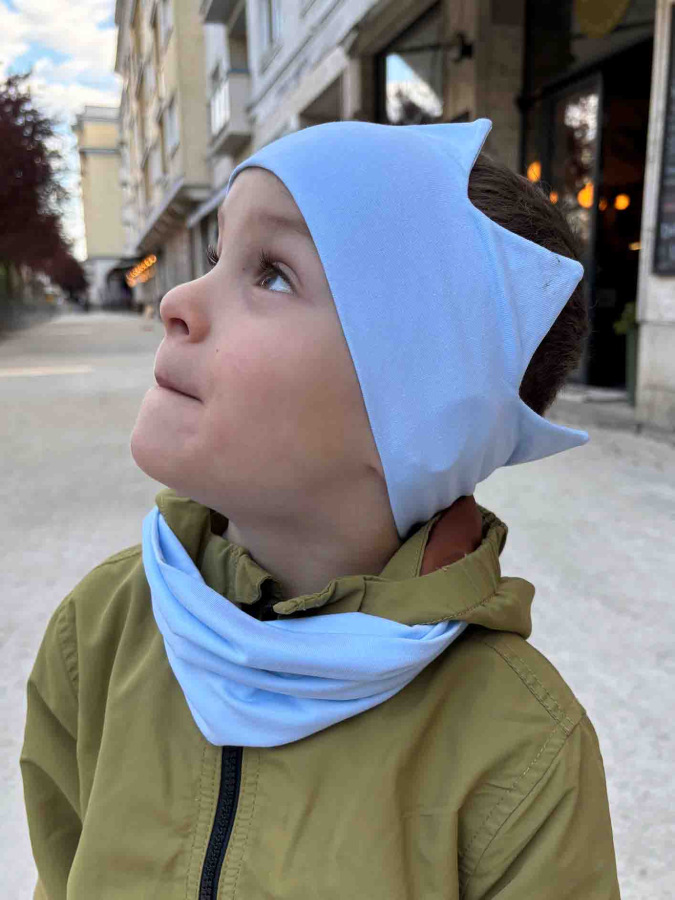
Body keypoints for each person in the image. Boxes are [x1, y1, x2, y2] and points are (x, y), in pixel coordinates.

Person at [20, 120, 620, 899]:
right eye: (217, 256)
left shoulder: (519, 749)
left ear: (417, 415)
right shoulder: (102, 631)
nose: (176, 301)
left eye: (272, 275)